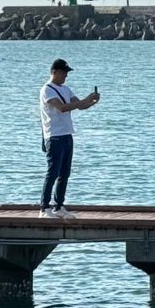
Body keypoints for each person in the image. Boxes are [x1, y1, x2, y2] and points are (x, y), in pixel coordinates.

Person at [39, 58, 99, 219]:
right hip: (54, 136)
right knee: (53, 172)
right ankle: (44, 208)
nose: (66, 75)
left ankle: (59, 206)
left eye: (67, 73)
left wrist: (91, 101)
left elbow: (79, 105)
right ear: (54, 72)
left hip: (67, 135)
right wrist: (85, 101)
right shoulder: (47, 90)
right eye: (64, 72)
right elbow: (62, 108)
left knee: (64, 173)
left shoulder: (66, 89)